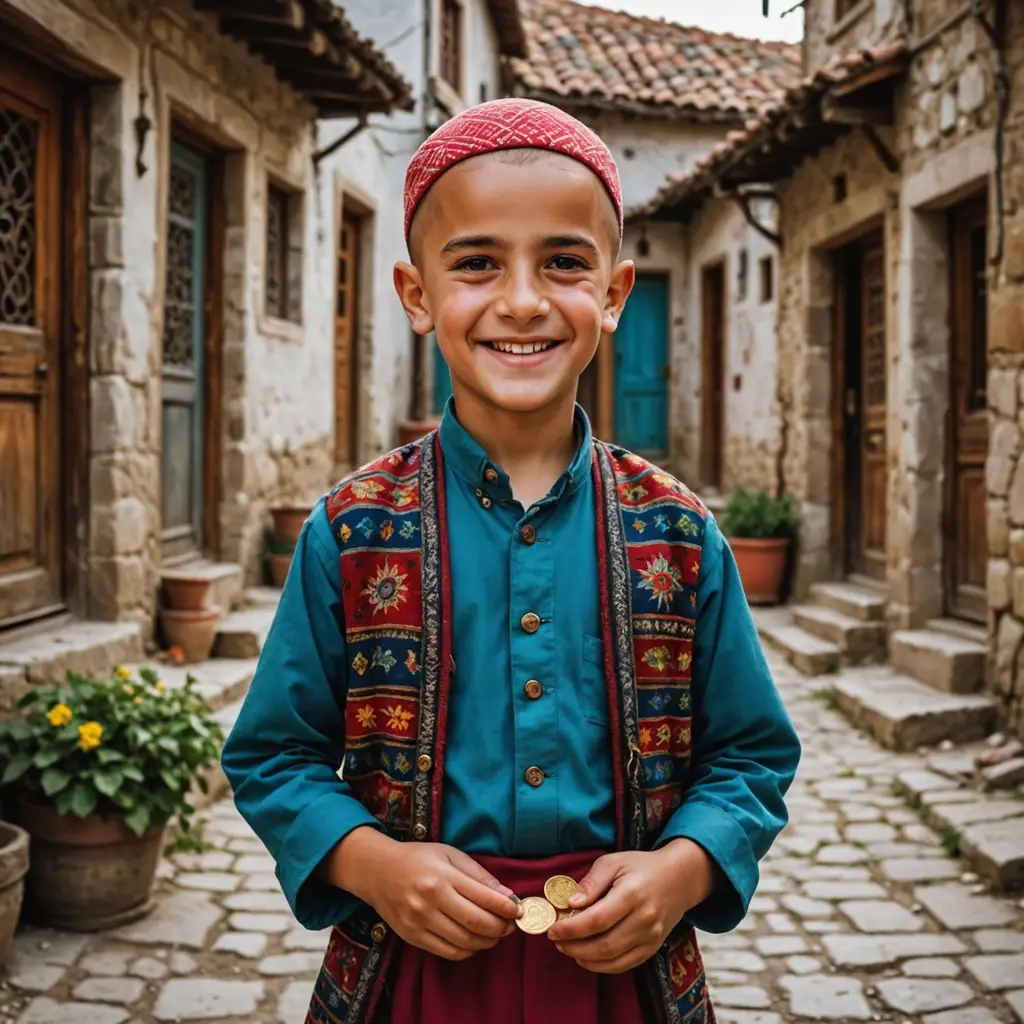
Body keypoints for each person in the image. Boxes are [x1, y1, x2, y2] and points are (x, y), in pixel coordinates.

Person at [222, 97, 801, 1024]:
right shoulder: (354, 530)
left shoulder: (681, 535)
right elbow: (274, 754)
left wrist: (682, 870)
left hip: (625, 973)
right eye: (478, 262)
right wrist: (373, 863)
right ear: (418, 295)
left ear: (614, 295)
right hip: (412, 968)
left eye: (566, 263)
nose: (524, 300)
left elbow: (750, 753)